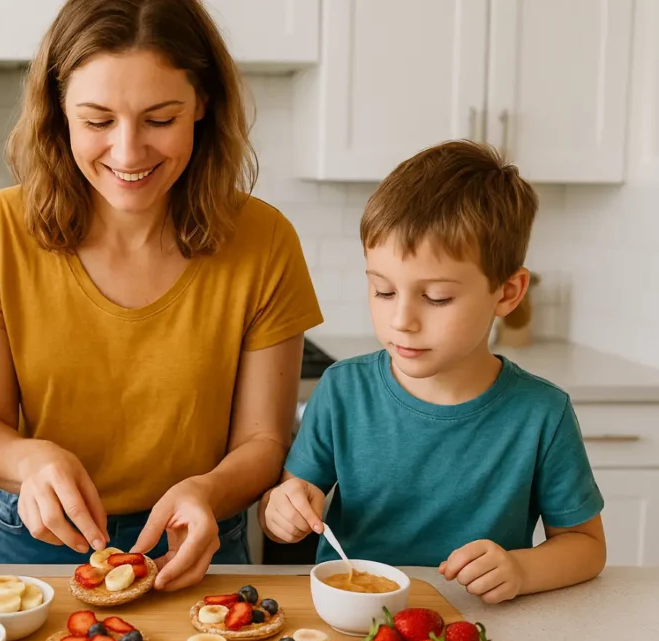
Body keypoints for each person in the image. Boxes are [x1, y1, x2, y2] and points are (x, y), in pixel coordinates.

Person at [0, 0, 323, 590]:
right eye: (98, 122)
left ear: (203, 103)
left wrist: (207, 492)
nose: (127, 152)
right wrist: (32, 460)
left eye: (160, 119)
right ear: (58, 111)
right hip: (34, 539)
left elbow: (263, 441)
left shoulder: (265, 241)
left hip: (196, 542)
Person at [260, 140, 607, 604]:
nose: (401, 320)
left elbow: (586, 546)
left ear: (507, 293)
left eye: (437, 297)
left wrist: (522, 570)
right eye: (384, 292)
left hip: (478, 626)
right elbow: (286, 502)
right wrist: (281, 513)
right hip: (353, 624)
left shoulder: (542, 413)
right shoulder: (342, 390)